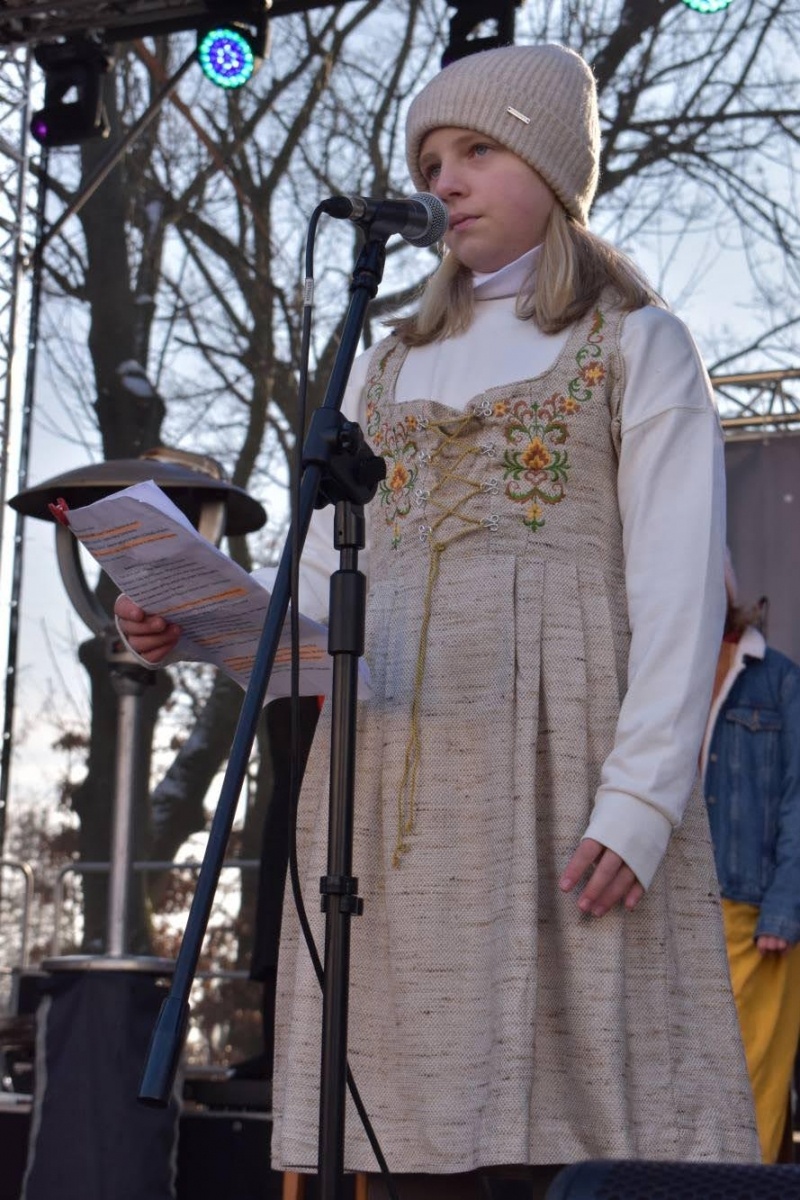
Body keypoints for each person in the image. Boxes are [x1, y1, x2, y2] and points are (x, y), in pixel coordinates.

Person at [116, 42, 760, 1199]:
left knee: (570, 1123)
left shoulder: (635, 344)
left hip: (565, 768)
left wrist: (642, 798)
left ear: (553, 169)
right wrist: (187, 619)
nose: (443, 179)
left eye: (475, 151)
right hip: (395, 784)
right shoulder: (381, 365)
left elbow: (673, 595)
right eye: (426, 157)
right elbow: (315, 602)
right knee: (409, 1128)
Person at [702, 562, 800, 1164]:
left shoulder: (780, 680)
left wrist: (784, 907)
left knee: (752, 1075)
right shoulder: (660, 670)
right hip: (674, 905)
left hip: (753, 908)